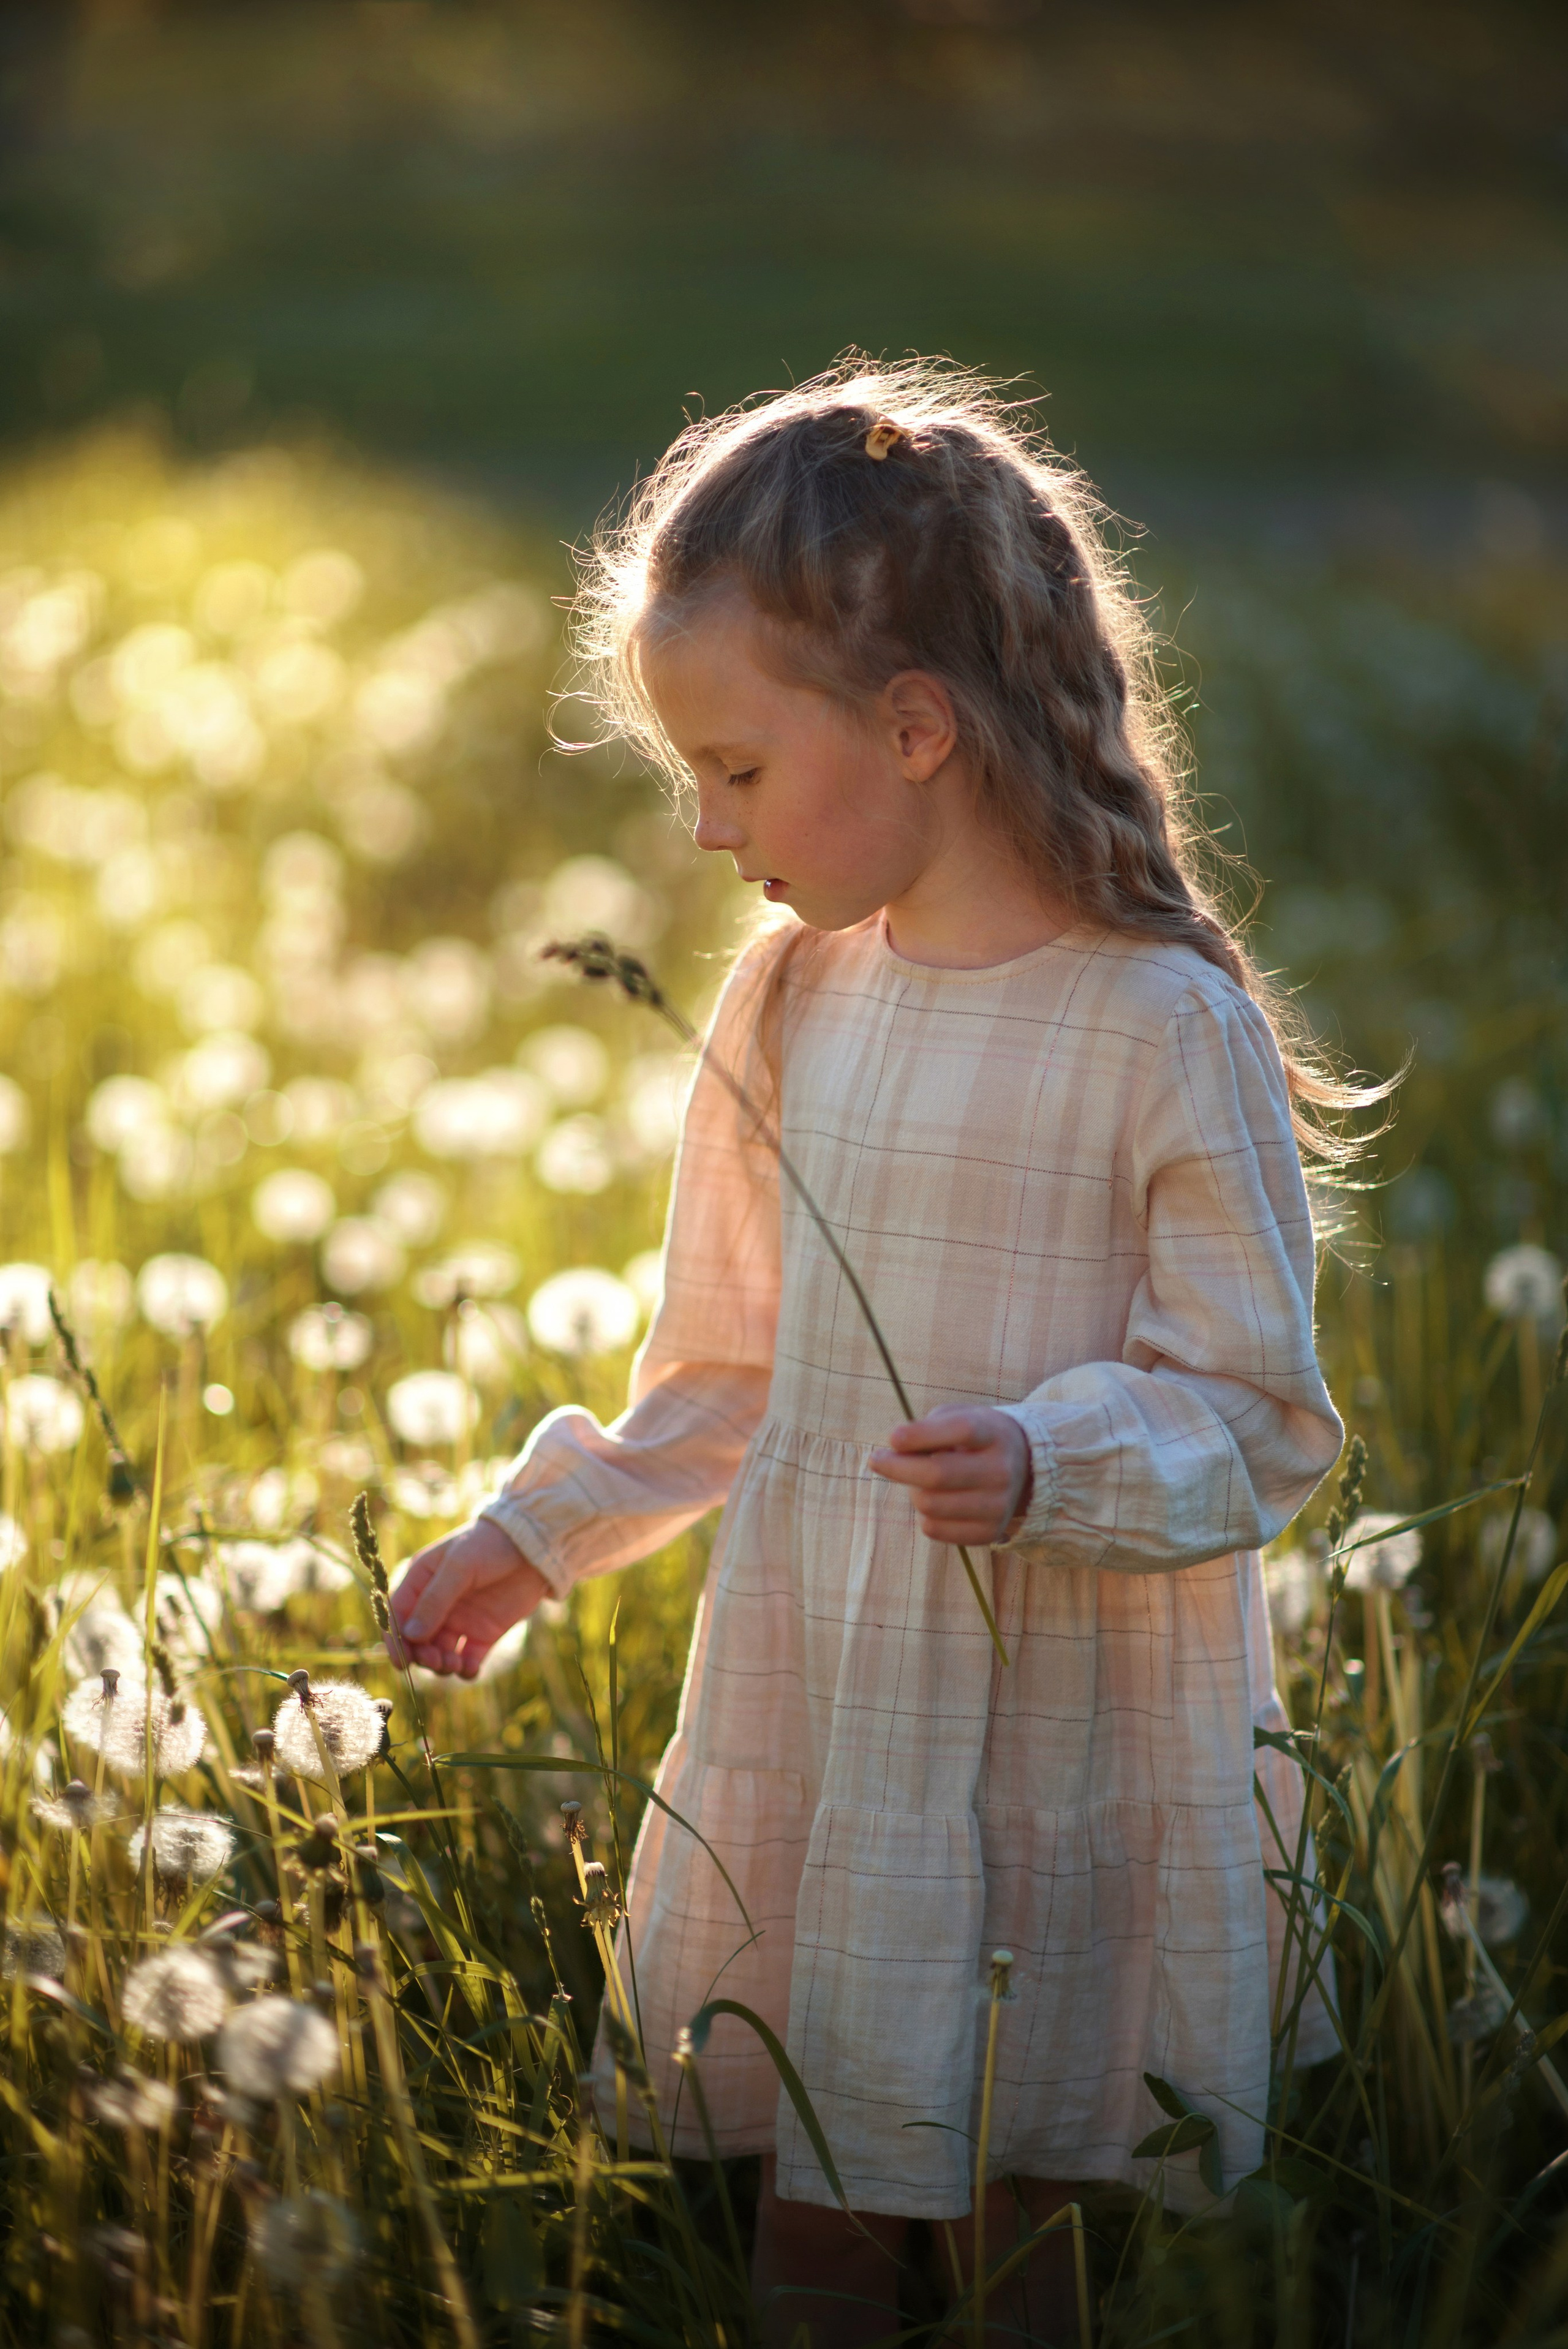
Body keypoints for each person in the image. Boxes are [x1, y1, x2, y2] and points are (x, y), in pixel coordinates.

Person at [390, 362, 1376, 2343]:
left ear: (916, 727)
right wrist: (536, 1528)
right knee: (819, 2212)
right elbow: (723, 1367)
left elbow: (1263, 1417)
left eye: (738, 771)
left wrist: (1053, 1460)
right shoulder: (793, 999)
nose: (701, 826)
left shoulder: (1158, 1023)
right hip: (841, 1713)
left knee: (1030, 2214)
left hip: (1061, 1727)